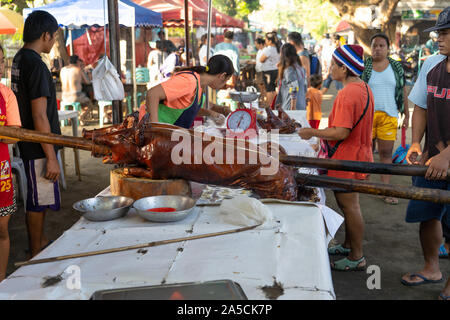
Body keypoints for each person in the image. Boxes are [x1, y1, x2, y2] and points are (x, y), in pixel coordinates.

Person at [298, 44, 374, 271]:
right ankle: (349, 245)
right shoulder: (363, 88)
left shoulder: (348, 93)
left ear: (345, 68)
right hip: (358, 155)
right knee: (346, 204)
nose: (330, 68)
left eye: (333, 64)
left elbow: (341, 132)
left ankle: (357, 257)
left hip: (347, 158)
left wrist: (312, 132)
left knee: (350, 206)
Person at [399, 7, 450, 300]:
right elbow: (420, 105)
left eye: (444, 32)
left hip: (443, 159)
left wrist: (447, 157)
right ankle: (432, 268)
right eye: (439, 32)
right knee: (427, 213)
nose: (438, 38)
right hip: (432, 159)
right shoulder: (431, 64)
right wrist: (415, 142)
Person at [10, 10, 62, 258]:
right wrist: (50, 156)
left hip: (29, 141)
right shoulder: (38, 66)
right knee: (39, 199)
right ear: (45, 35)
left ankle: (39, 241)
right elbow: (40, 114)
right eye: (54, 37)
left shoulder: (20, 58)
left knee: (38, 195)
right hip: (39, 144)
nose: (54, 42)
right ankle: (36, 250)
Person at [361, 33, 410, 205]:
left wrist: (406, 115)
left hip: (389, 115)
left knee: (386, 153)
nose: (378, 49)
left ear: (388, 48)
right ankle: (364, 183)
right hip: (367, 116)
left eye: (382, 45)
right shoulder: (364, 65)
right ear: (371, 48)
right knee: (366, 150)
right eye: (375, 45)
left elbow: (402, 90)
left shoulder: (396, 67)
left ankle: (385, 189)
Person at [141, 54, 234, 128]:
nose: (225, 84)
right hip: (144, 128)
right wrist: (155, 128)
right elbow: (152, 94)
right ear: (222, 76)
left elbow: (189, 110)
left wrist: (212, 113)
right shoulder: (189, 81)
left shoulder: (199, 86)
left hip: (166, 134)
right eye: (226, 80)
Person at [0, 44, 22, 282]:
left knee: (2, 229)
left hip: (1, 172)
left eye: (0, 61)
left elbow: (14, 135)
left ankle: (1, 280)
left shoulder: (6, 94)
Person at [59, 55, 94, 126]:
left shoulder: (62, 70)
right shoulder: (78, 69)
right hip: (75, 96)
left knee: (74, 105)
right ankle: (80, 117)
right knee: (90, 104)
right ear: (77, 61)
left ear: (69, 61)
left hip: (64, 96)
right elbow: (87, 82)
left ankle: (69, 119)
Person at [274, 43, 307, 111]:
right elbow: (305, 87)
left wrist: (293, 108)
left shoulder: (289, 70)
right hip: (301, 105)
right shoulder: (300, 68)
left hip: (290, 108)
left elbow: (294, 88)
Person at [259, 32, 280, 107]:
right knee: (273, 89)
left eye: (266, 40)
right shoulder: (278, 48)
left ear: (270, 41)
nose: (265, 41)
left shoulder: (269, 49)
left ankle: (270, 106)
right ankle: (273, 105)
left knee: (269, 90)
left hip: (268, 72)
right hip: (275, 71)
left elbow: (261, 59)